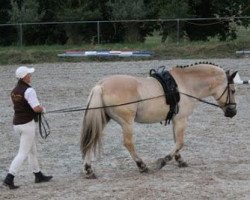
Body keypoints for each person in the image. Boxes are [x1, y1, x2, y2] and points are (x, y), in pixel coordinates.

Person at [3, 66, 53, 189]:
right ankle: (9, 178)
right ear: (24, 77)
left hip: (17, 124)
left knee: (32, 150)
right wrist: (43, 109)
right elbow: (36, 108)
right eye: (29, 74)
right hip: (27, 125)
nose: (31, 76)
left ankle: (38, 174)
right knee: (22, 153)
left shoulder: (14, 90)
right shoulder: (29, 91)